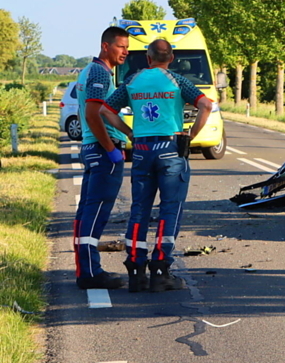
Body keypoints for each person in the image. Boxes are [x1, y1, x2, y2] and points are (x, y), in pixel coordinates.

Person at [99, 39, 213, 292]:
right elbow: (206, 105)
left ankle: (136, 268)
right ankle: (161, 269)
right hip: (171, 149)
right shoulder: (177, 81)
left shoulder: (132, 81)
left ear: (148, 59)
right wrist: (191, 134)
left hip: (141, 150)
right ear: (170, 58)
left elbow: (106, 111)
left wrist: (129, 132)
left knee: (139, 208)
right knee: (170, 209)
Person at [73, 25, 131, 290]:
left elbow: (105, 113)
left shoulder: (90, 70)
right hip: (99, 150)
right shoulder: (99, 72)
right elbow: (93, 114)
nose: (125, 52)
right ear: (105, 46)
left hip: (92, 149)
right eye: (121, 46)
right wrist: (111, 149)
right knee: (96, 213)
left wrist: (130, 134)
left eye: (127, 47)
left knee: (87, 210)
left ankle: (85, 269)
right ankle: (91, 273)